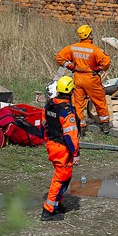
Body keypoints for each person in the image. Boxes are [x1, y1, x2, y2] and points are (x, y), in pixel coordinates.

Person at [55, 25, 112, 134]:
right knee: (99, 101)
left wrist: (70, 66)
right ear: (88, 35)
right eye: (91, 33)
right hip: (91, 78)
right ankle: (105, 124)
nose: (92, 34)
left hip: (78, 78)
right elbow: (106, 62)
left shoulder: (73, 47)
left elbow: (59, 57)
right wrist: (99, 68)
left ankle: (80, 126)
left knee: (78, 103)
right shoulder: (95, 50)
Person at [41, 76, 80, 221]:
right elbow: (70, 136)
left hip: (52, 145)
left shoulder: (49, 105)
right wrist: (75, 153)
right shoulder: (67, 111)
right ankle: (48, 210)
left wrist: (47, 141)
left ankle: (57, 204)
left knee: (64, 177)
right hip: (63, 148)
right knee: (60, 178)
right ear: (70, 91)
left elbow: (43, 125)